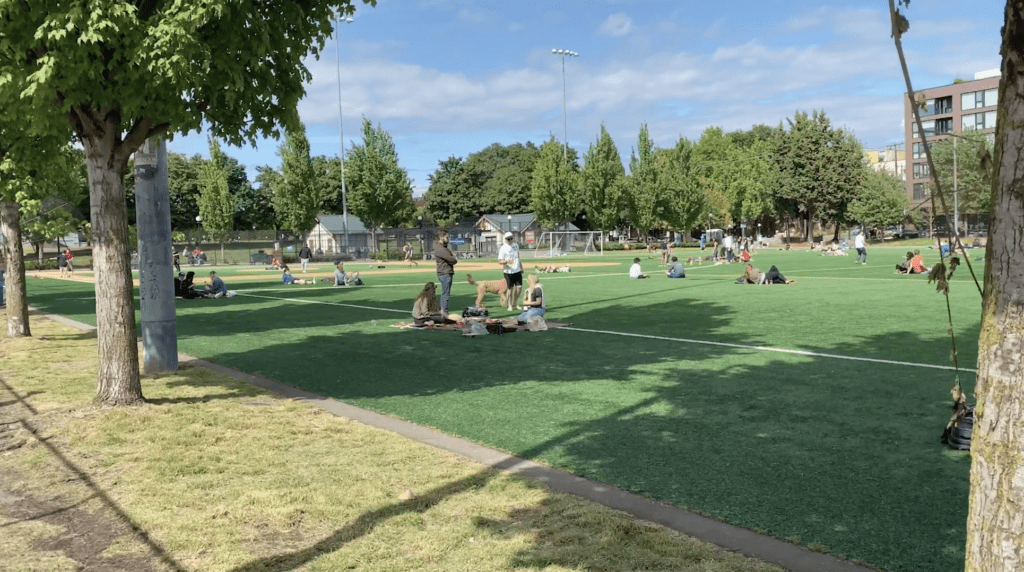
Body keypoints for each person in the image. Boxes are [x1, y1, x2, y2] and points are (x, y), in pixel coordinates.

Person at [434, 230, 458, 316]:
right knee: (445, 294)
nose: (448, 239)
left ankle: (443, 311)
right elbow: (452, 260)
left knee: (445, 293)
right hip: (445, 272)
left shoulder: (442, 247)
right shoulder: (440, 248)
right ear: (441, 237)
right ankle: (444, 312)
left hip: (445, 272)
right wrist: (454, 259)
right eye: (447, 237)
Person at [497, 231, 522, 311]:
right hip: (508, 271)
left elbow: (518, 257)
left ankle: (515, 303)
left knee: (519, 287)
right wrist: (506, 261)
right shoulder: (503, 248)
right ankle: (509, 305)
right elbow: (500, 261)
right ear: (505, 239)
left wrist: (521, 267)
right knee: (510, 289)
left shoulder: (516, 245)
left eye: (511, 238)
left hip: (517, 269)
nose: (510, 240)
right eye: (508, 239)